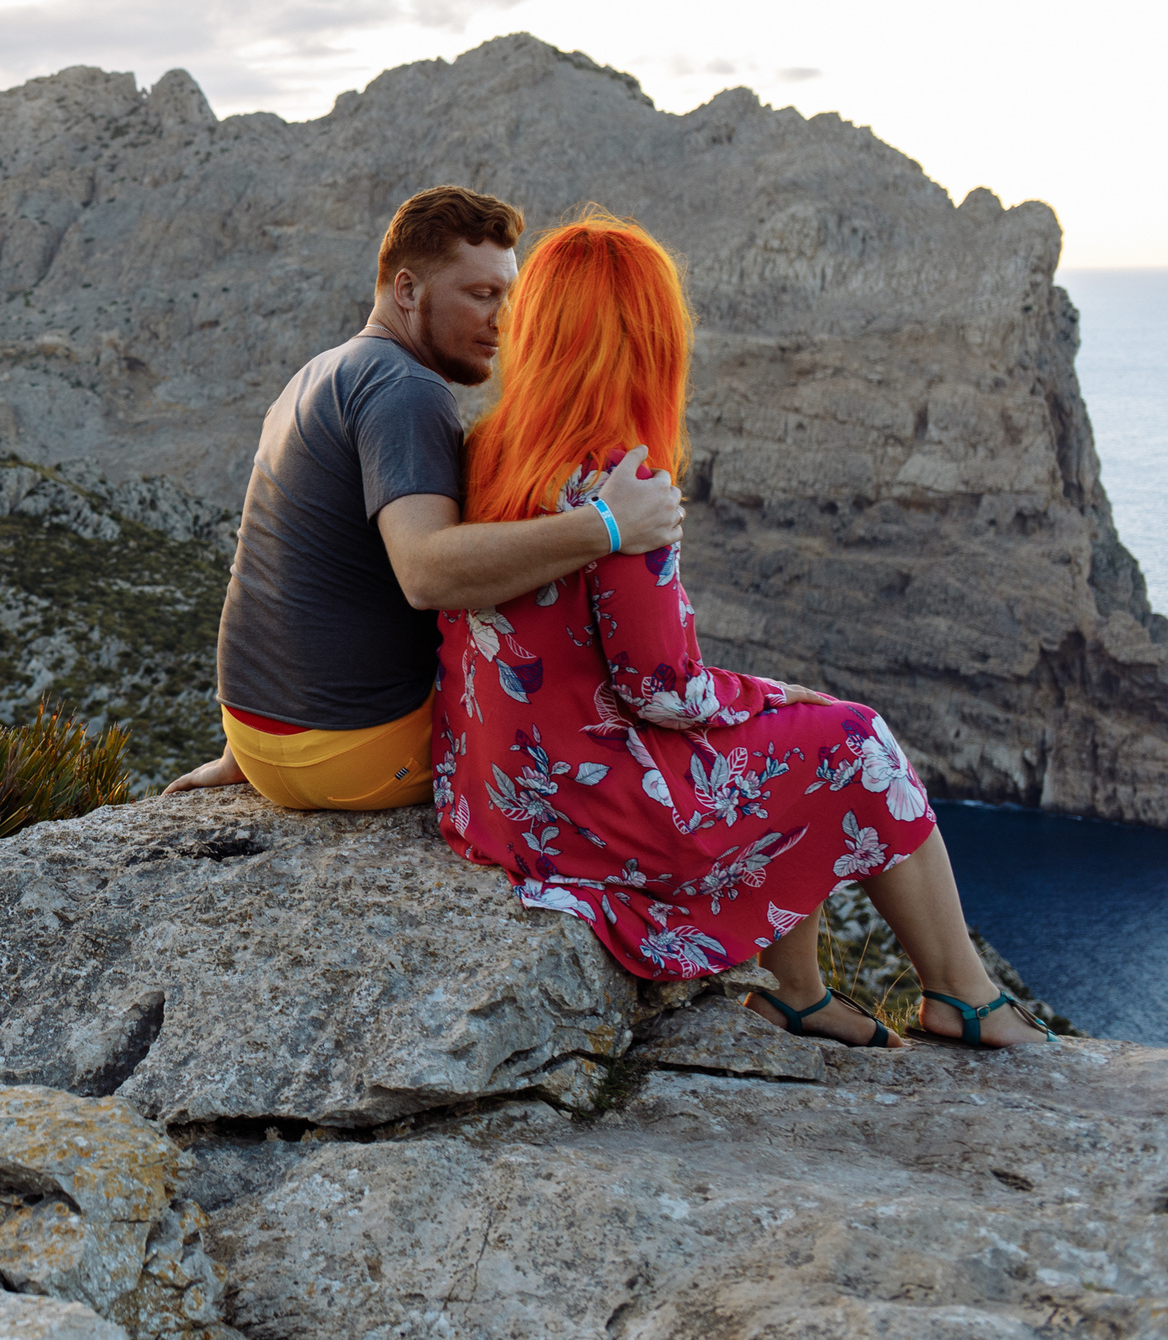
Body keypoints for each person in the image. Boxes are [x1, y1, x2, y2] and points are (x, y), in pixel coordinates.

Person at [430, 211, 1051, 1049]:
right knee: (855, 738)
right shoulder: (623, 484)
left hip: (500, 798)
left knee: (787, 735)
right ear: (648, 342)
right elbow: (665, 691)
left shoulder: (487, 449)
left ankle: (798, 990)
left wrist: (759, 703)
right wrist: (764, 694)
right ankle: (963, 994)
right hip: (594, 812)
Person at [166, 184, 682, 811]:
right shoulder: (406, 389)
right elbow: (427, 572)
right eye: (481, 295)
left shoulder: (318, 372)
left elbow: (272, 562)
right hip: (355, 753)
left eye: (510, 296)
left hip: (257, 739)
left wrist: (252, 750)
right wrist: (607, 524)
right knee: (583, 722)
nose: (504, 319)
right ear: (407, 291)